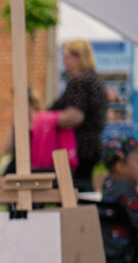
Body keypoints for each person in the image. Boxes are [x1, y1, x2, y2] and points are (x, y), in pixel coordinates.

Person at [49, 39, 107, 192]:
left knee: (75, 191)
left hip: (78, 147)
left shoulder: (79, 82)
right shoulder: (94, 80)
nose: (63, 62)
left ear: (77, 57)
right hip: (92, 146)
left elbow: (75, 116)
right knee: (84, 189)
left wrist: (46, 120)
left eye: (66, 57)